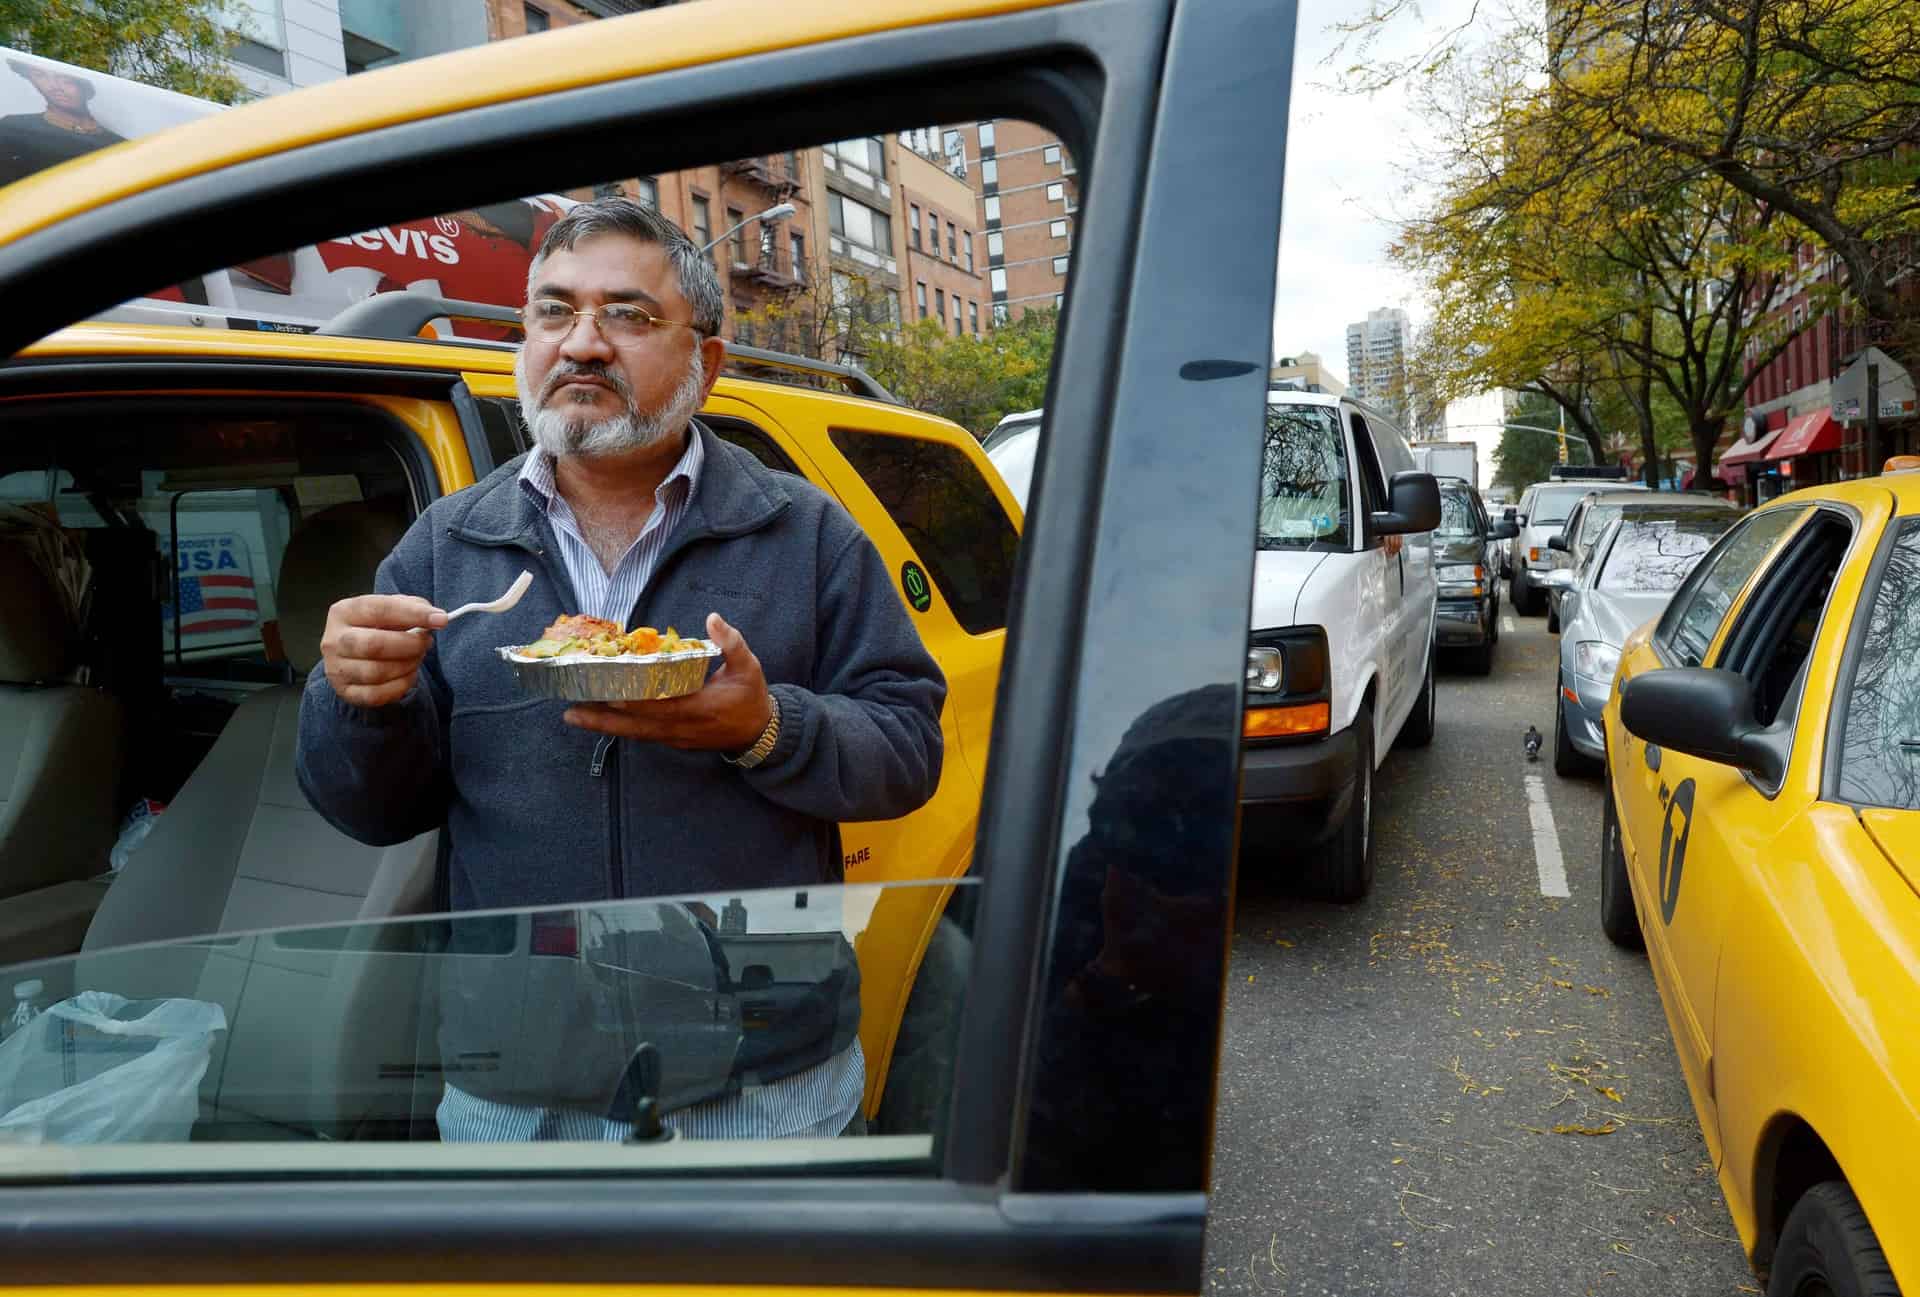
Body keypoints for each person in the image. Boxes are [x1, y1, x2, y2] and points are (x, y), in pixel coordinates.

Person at [296, 197, 946, 1140]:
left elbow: (909, 747)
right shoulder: (448, 544)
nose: (583, 344)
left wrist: (766, 729)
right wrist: (357, 699)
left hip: (761, 1078)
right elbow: (372, 810)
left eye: (629, 316)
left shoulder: (803, 532)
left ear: (706, 362)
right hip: (516, 1088)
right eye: (553, 311)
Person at [0, 60, 124, 188]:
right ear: (31, 80)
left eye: (64, 78)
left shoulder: (121, 147)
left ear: (85, 84)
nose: (54, 86)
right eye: (40, 75)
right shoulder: (11, 129)